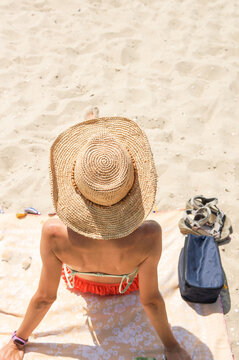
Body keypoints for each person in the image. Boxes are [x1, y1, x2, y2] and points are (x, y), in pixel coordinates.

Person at [0, 109, 191, 360]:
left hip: (81, 280)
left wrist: (19, 340)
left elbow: (45, 297)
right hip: (123, 284)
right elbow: (151, 301)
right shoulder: (150, 234)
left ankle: (91, 131)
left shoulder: (53, 233)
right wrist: (171, 346)